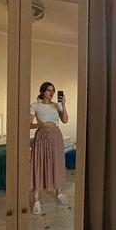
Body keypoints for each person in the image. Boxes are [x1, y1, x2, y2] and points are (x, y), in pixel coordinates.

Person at [30, 82, 68, 215]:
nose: (51, 93)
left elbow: (65, 120)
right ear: (42, 91)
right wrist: (42, 124)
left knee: (56, 163)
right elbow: (28, 124)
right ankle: (36, 200)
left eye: (53, 90)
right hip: (41, 137)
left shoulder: (57, 105)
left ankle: (59, 193)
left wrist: (63, 105)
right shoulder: (35, 106)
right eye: (48, 90)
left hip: (56, 137)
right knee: (38, 164)